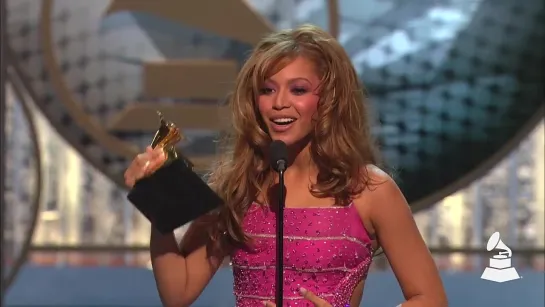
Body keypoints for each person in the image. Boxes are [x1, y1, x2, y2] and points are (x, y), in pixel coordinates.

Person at [124, 24, 447, 307]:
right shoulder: (238, 187)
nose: (279, 103)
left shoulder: (370, 190)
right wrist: (157, 198)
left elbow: (430, 299)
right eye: (267, 89)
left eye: (298, 89)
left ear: (328, 100)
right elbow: (177, 292)